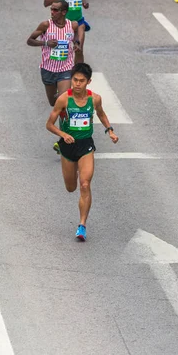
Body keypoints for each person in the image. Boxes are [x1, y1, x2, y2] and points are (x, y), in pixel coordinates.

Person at [45, 63, 119, 241]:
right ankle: (73, 168)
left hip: (86, 145)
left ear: (88, 82)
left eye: (81, 81)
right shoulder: (63, 99)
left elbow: (100, 113)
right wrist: (63, 134)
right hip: (68, 146)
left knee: (85, 184)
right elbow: (49, 124)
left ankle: (82, 226)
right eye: (75, 80)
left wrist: (109, 130)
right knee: (71, 187)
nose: (77, 84)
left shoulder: (95, 99)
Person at [27, 0, 78, 107]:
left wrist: (76, 43)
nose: (52, 12)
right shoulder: (45, 25)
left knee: (63, 100)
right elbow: (30, 41)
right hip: (48, 69)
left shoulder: (72, 25)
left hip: (66, 69)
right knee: (53, 102)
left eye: (55, 10)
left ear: (63, 12)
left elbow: (75, 36)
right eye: (51, 9)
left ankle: (65, 123)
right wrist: (46, 43)